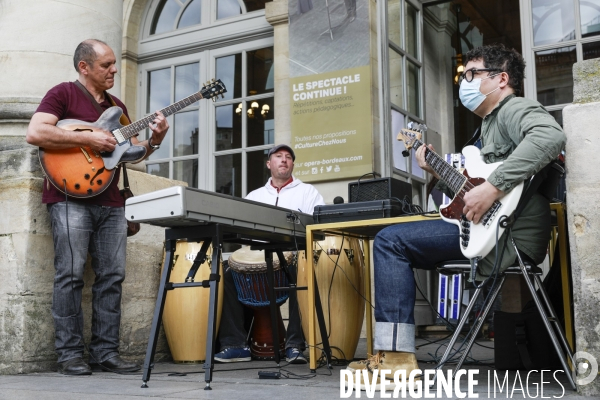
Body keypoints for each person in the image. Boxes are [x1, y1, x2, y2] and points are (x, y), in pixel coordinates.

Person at [346, 44, 566, 389]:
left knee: (389, 241)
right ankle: (394, 354)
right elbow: (471, 191)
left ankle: (395, 358)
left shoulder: (513, 109)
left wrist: (491, 187)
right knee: (395, 238)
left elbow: (551, 136)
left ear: (501, 79)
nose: (463, 81)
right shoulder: (487, 128)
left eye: (471, 74)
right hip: (496, 230)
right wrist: (434, 169)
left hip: (508, 234)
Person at [25, 39, 169, 375]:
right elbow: (36, 132)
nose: (114, 70)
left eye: (114, 64)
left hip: (111, 201)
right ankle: (70, 355)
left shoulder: (118, 106)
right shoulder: (62, 93)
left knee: (112, 277)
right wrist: (89, 138)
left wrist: (156, 139)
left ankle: (105, 353)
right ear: (84, 67)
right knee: (70, 276)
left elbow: (133, 154)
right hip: (68, 198)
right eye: (106, 65)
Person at [215, 144, 325, 364]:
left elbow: (319, 227)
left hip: (291, 257)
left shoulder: (308, 192)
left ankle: (295, 346)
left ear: (292, 164)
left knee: (301, 273)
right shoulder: (254, 196)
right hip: (257, 259)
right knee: (226, 273)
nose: (284, 160)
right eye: (278, 156)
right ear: (269, 164)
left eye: (288, 157)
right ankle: (235, 345)